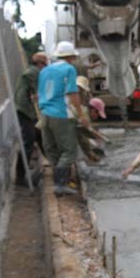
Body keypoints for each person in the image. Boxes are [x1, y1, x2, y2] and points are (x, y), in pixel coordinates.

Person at [38, 41, 90, 196]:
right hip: (61, 113)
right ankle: (60, 184)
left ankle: (59, 181)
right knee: (69, 151)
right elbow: (73, 93)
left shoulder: (44, 71)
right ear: (70, 56)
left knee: (51, 148)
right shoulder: (69, 69)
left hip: (45, 113)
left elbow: (40, 92)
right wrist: (81, 115)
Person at [14, 52, 48, 187]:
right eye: (45, 64)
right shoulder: (33, 72)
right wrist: (37, 93)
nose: (45, 67)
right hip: (25, 109)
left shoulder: (34, 71)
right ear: (40, 63)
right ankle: (20, 177)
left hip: (27, 109)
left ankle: (53, 161)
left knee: (39, 134)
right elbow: (29, 77)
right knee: (28, 139)